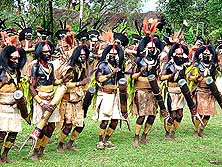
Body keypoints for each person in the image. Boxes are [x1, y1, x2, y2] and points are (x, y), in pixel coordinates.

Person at [30, 41, 61, 160]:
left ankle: (42, 149)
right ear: (40, 53)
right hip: (41, 100)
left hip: (52, 99)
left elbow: (53, 81)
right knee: (41, 127)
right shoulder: (36, 67)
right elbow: (32, 87)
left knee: (51, 126)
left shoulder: (51, 66)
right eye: (45, 52)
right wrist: (41, 102)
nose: (48, 54)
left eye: (49, 51)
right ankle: (35, 151)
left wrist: (63, 80)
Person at [57, 44, 90, 153]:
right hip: (68, 100)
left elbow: (84, 82)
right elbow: (65, 84)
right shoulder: (69, 68)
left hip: (78, 100)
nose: (83, 57)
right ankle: (60, 145)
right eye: (81, 55)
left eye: (85, 55)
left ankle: (69, 144)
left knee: (80, 125)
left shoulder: (83, 67)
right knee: (68, 125)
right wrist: (79, 83)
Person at [160, 43, 196, 139]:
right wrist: (170, 76)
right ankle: (167, 133)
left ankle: (173, 132)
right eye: (178, 54)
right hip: (171, 91)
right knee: (173, 114)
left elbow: (186, 77)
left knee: (179, 115)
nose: (180, 56)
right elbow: (161, 77)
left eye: (181, 54)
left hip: (181, 92)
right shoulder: (168, 65)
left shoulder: (184, 66)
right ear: (173, 54)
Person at [94, 41, 126, 150]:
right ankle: (100, 142)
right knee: (105, 120)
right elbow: (99, 79)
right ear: (107, 55)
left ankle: (106, 139)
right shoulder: (102, 65)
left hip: (114, 95)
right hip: (105, 95)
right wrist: (112, 74)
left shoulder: (118, 66)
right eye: (111, 55)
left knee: (115, 120)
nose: (113, 56)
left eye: (115, 55)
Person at [0, 45, 27, 163]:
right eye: (13, 58)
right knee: (1, 133)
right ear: (7, 58)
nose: (16, 61)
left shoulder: (17, 72)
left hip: (15, 107)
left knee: (13, 132)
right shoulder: (1, 72)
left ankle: (5, 155)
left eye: (18, 59)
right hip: (2, 106)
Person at [187, 45, 221, 137]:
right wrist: (197, 77)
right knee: (199, 113)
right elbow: (189, 77)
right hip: (200, 92)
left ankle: (201, 130)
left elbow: (217, 74)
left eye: (208, 54)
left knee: (207, 114)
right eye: (204, 54)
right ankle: (195, 130)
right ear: (201, 55)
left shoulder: (213, 66)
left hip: (210, 92)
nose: (206, 56)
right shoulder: (197, 65)